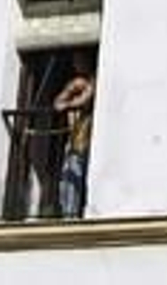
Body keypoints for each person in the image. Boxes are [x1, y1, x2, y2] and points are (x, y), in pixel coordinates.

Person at [53, 49, 96, 220]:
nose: (76, 64)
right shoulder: (76, 82)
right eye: (74, 61)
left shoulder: (94, 80)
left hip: (86, 138)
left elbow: (87, 97)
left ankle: (76, 212)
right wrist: (73, 88)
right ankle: (68, 213)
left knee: (79, 175)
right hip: (74, 141)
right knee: (67, 179)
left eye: (79, 60)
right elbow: (57, 103)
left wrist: (71, 102)